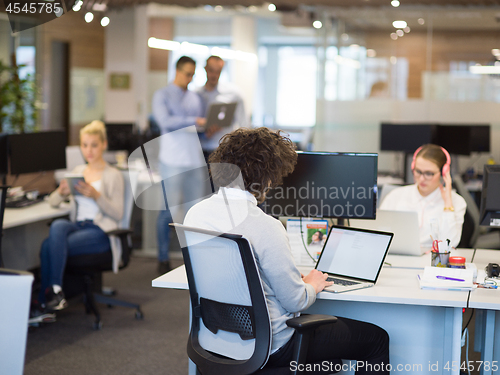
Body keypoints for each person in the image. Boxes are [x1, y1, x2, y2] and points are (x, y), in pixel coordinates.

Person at [184, 127, 390, 374]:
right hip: (271, 346)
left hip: (215, 341)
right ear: (268, 177)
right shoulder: (265, 226)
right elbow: (296, 300)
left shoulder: (195, 214)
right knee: (375, 339)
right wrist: (312, 283)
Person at [38, 120, 124, 311]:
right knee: (58, 226)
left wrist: (96, 195)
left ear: (103, 144)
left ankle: (47, 299)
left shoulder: (113, 175)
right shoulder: (77, 172)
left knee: (48, 246)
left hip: (100, 231)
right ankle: (55, 291)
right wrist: (61, 192)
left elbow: (118, 213)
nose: (89, 150)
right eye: (84, 145)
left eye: (94, 145)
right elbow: (52, 202)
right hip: (78, 226)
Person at [152, 55, 208, 274]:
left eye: (193, 75)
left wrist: (206, 126)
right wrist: (194, 121)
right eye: (187, 74)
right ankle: (163, 257)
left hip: (194, 160)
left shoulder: (195, 98)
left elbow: (199, 126)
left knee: (197, 211)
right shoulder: (162, 95)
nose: (189, 78)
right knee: (169, 211)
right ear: (176, 71)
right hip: (172, 160)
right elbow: (165, 122)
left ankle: (196, 259)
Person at [380, 144, 467, 249]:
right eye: (418, 171)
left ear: (443, 173)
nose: (421, 178)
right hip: (398, 259)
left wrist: (448, 203)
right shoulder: (395, 196)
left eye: (429, 173)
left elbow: (450, 243)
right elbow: (379, 235)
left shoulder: (456, 201)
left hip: (433, 261)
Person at [196, 55, 248, 156]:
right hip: (200, 149)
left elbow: (244, 125)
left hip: (223, 150)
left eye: (218, 71)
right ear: (205, 69)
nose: (214, 75)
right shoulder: (196, 94)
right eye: (211, 70)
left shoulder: (233, 94)